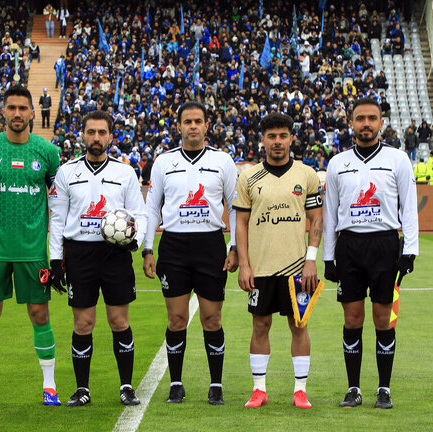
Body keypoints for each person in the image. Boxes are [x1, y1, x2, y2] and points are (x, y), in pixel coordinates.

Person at [0, 85, 62, 408]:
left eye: (23, 108)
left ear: (33, 112)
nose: (17, 114)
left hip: (34, 251)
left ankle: (49, 386)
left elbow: (60, 203)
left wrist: (60, 249)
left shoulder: (47, 153)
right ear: (3, 112)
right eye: (12, 108)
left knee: (40, 313)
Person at [323, 97, 418, 410]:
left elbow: (409, 207)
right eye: (360, 118)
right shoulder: (337, 163)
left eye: (372, 118)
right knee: (352, 318)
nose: (366, 124)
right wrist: (328, 256)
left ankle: (383, 389)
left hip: (384, 245)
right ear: (351, 122)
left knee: (382, 320)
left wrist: (410, 250)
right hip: (350, 246)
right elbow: (330, 214)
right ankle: (353, 389)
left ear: (381, 123)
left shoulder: (398, 159)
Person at [49, 110, 147, 407]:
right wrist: (55, 262)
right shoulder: (67, 172)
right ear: (83, 135)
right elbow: (57, 218)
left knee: (119, 321)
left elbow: (139, 214)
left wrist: (134, 242)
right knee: (83, 323)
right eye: (90, 132)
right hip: (80, 254)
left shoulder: (125, 172)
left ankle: (127, 387)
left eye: (101, 132)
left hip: (115, 254)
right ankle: (82, 390)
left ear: (110, 137)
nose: (96, 138)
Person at [143, 101, 239, 405]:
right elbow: (151, 207)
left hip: (210, 245)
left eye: (198, 121)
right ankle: (176, 383)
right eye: (188, 121)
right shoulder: (163, 162)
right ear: (179, 126)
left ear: (207, 126)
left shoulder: (223, 161)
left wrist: (234, 246)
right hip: (173, 246)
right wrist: (148, 249)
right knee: (177, 319)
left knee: (212, 318)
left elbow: (235, 209)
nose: (193, 126)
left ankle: (216, 384)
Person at [233, 112, 323, 409]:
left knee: (299, 325)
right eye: (271, 136)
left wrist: (311, 260)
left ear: (291, 138)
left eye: (283, 136)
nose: (277, 142)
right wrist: (244, 265)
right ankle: (259, 389)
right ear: (263, 140)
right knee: (260, 325)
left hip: (297, 269)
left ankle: (300, 390)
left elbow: (317, 219)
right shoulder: (248, 177)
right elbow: (241, 224)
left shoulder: (306, 175)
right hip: (261, 267)